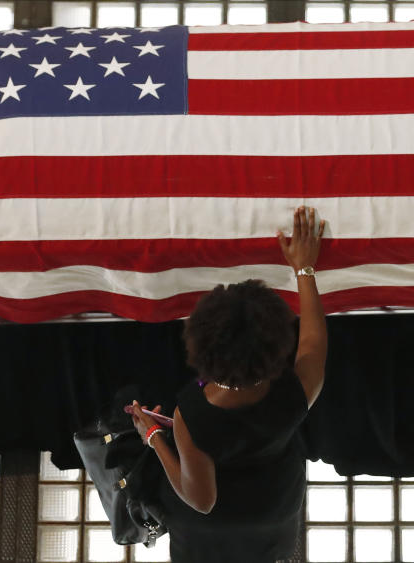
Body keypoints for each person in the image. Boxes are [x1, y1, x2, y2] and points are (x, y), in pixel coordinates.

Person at [127, 205, 328, 562]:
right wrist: (304, 266)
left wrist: (155, 437)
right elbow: (313, 340)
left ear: (200, 350)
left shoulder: (192, 413)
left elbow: (202, 501)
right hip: (270, 513)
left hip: (229, 524)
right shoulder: (296, 394)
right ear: (277, 347)